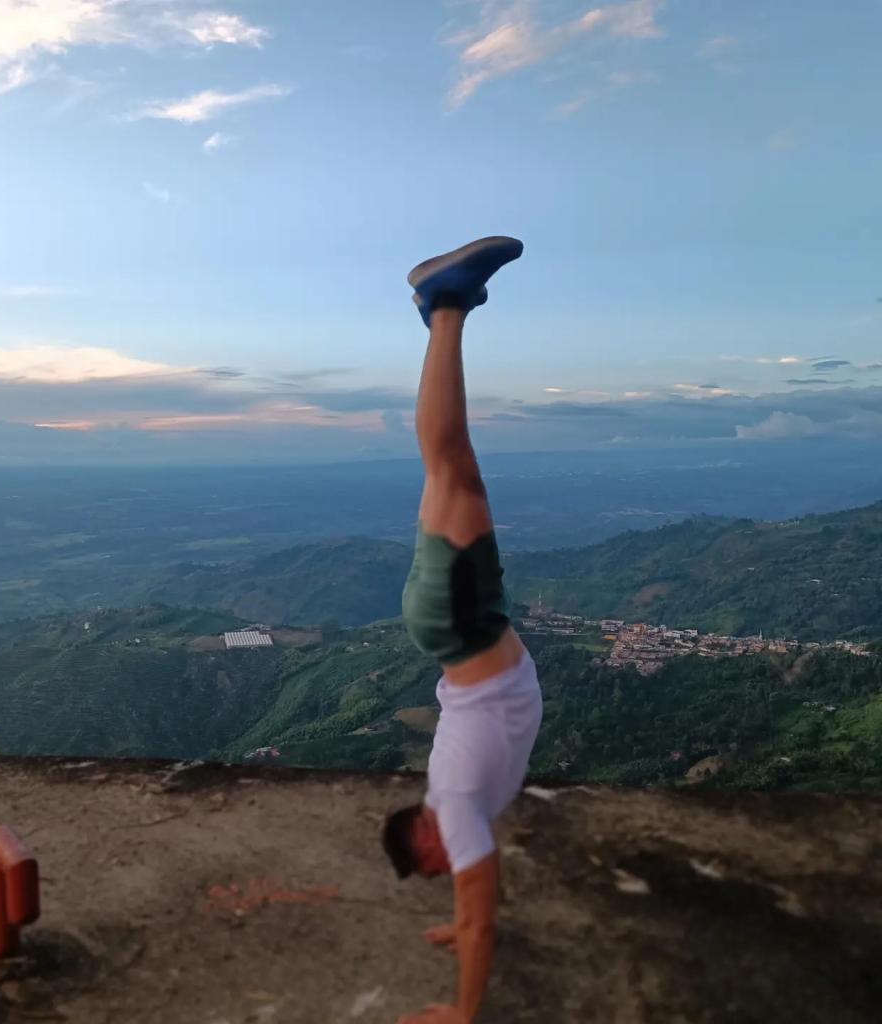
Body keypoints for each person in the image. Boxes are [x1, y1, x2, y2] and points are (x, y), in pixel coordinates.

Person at [383, 237, 544, 1024]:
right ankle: (440, 310)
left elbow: (483, 912)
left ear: (426, 839)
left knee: (451, 465)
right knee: (446, 468)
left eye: (432, 867)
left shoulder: (451, 806)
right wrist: (459, 925)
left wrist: (462, 1015)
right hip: (461, 631)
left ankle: (444, 305)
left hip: (460, 626)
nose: (447, 867)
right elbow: (474, 913)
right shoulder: (453, 802)